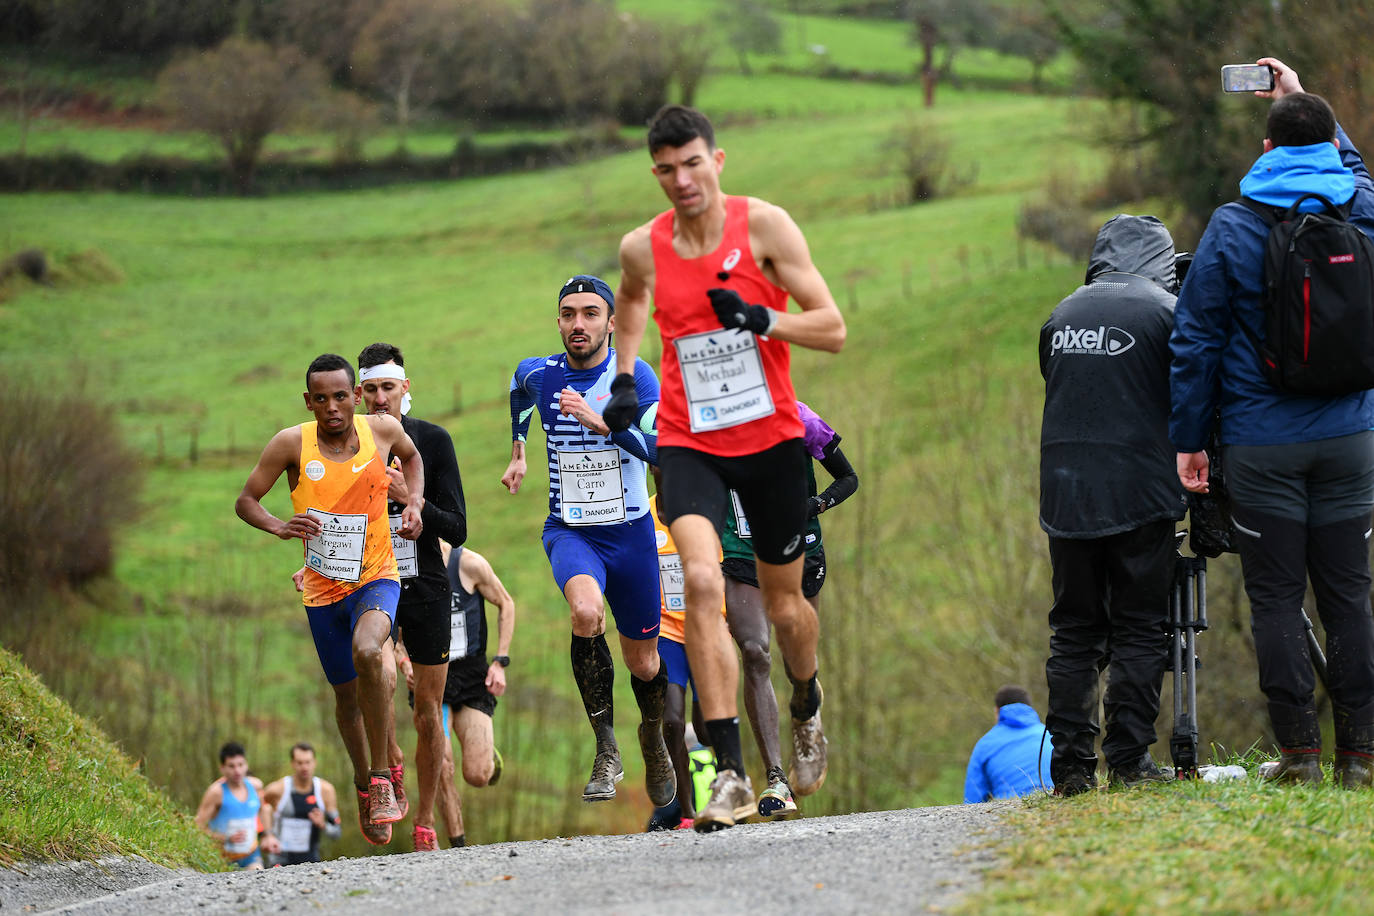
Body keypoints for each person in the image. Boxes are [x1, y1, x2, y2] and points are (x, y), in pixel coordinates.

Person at [606, 104, 846, 830]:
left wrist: (762, 319)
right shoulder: (642, 246)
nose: (682, 180)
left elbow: (832, 328)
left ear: (718, 159)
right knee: (703, 580)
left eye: (693, 163)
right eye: (667, 169)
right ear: (655, 173)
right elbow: (631, 302)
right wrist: (623, 379)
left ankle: (806, 701)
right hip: (690, 438)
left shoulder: (765, 228)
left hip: (770, 439)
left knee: (784, 609)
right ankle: (734, 773)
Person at [1171, 58, 1374, 788]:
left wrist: (1189, 440)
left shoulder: (1231, 226)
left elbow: (1194, 339)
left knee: (1278, 599)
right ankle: (1361, 758)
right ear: (1326, 146)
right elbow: (1351, 164)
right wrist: (1306, 103)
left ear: (1264, 151)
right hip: (1353, 436)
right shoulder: (1360, 206)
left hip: (1261, 444)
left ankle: (1300, 756)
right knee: (1350, 595)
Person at [235, 353, 424, 845]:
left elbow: (414, 456)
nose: (332, 407)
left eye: (341, 396)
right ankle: (363, 784)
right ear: (308, 401)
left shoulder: (380, 431)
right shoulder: (290, 444)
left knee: (370, 653)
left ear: (355, 396)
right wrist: (279, 526)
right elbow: (246, 499)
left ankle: (382, 778)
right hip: (322, 592)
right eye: (321, 399)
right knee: (346, 698)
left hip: (378, 577)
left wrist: (414, 504)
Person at [502, 274, 675, 808]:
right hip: (571, 530)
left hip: (630, 535)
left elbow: (663, 450)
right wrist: (519, 448)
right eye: (569, 313)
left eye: (590, 313)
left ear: (611, 323)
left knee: (644, 663)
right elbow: (518, 393)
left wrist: (605, 426)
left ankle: (652, 736)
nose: (578, 324)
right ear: (558, 321)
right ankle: (606, 747)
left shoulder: (635, 379)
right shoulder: (539, 373)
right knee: (584, 612)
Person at [1039, 214, 1186, 796]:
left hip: (1066, 493)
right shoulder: (1166, 313)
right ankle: (1128, 760)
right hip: (1141, 491)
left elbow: (1057, 382)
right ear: (1163, 259)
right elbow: (1189, 393)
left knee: (1073, 630)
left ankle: (1072, 769)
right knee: (1139, 627)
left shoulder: (1062, 314)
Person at [719, 399, 857, 817]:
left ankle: (805, 710)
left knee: (798, 660)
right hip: (740, 550)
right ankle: (776, 778)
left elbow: (848, 479)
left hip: (800, 551)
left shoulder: (800, 418)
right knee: (755, 652)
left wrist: (815, 506)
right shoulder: (712, 418)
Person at [356, 342, 469, 852]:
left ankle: (424, 820)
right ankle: (390, 762)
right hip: (367, 582)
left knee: (428, 708)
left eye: (389, 388)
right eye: (372, 390)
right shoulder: (347, 444)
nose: (380, 400)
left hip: (424, 582)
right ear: (359, 394)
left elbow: (459, 527)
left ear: (406, 390)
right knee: (375, 675)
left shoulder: (432, 441)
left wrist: (407, 497)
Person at [647, 466, 725, 829]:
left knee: (706, 728)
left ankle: (729, 787)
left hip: (708, 630)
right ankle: (687, 812)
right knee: (673, 721)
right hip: (668, 636)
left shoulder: (710, 512)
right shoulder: (646, 515)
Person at [430, 541, 515, 848]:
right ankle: (457, 844)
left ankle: (488, 755)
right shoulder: (405, 563)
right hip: (431, 677)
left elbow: (506, 603)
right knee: (440, 762)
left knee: (477, 775)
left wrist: (500, 662)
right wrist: (401, 657)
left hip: (470, 675)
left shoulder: (469, 564)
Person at [194, 742, 277, 870]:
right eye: (231, 766)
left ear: (246, 765)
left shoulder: (255, 786)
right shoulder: (216, 793)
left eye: (240, 765)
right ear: (222, 768)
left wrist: (268, 835)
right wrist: (225, 838)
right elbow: (197, 827)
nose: (237, 771)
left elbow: (263, 809)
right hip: (221, 858)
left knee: (258, 881)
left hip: (251, 854)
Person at [963, 686, 1053, 803]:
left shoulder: (985, 744)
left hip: (1009, 811)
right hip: (1054, 804)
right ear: (1029, 708)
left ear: (996, 711)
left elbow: (972, 800)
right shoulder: (1051, 735)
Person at [259, 742, 341, 866]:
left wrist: (323, 824)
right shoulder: (277, 789)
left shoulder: (326, 791)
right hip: (279, 860)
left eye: (308, 762)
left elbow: (336, 833)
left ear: (315, 762)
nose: (304, 767)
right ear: (292, 763)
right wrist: (266, 835)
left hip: (311, 860)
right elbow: (258, 809)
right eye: (300, 763)